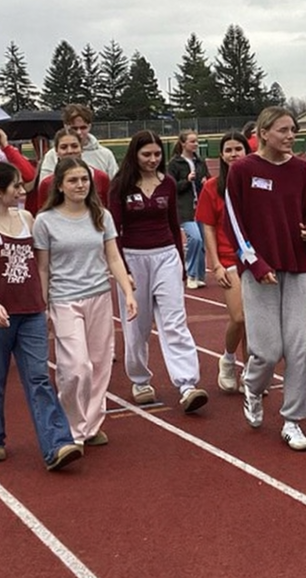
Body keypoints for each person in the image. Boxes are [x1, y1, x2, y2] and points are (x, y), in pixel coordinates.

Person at [0, 162, 83, 470]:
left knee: (39, 378)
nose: (22, 190)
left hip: (31, 313)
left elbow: (42, 262)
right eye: (16, 186)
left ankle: (57, 444)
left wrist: (45, 301)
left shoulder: (26, 219)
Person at [225, 107, 306, 451]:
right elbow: (233, 223)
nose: (290, 136)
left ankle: (292, 420)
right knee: (266, 352)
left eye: (293, 130)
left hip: (299, 267)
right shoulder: (242, 170)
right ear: (263, 133)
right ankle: (253, 387)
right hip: (260, 272)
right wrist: (255, 263)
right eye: (283, 130)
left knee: (300, 348)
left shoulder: (301, 169)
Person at [35, 157, 138, 446]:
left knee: (100, 363)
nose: (80, 185)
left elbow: (113, 257)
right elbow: (42, 268)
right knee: (76, 367)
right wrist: (42, 306)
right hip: (64, 299)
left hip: (99, 296)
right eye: (73, 180)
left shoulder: (101, 216)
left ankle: (91, 425)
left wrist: (128, 292)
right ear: (59, 185)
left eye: (84, 179)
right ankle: (71, 427)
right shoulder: (45, 221)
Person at [108, 131, 208, 414]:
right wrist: (123, 268)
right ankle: (140, 380)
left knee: (175, 321)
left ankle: (187, 384)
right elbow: (113, 231)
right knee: (137, 325)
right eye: (146, 155)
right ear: (134, 155)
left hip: (165, 255)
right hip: (133, 257)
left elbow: (174, 224)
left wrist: (180, 264)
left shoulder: (167, 184)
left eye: (156, 154)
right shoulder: (120, 186)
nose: (152, 160)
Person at [194, 130, 250, 393]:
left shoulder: (256, 184)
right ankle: (227, 359)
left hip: (256, 260)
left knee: (255, 323)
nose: (233, 154)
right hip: (229, 260)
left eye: (238, 149)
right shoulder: (212, 187)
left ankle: (250, 373)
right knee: (239, 318)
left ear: (247, 152)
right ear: (221, 154)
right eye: (228, 150)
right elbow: (208, 227)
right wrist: (215, 264)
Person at [167, 129, 210, 289]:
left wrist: (206, 181)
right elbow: (171, 187)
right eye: (192, 141)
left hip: (200, 206)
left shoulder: (200, 162)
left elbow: (208, 179)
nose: (195, 144)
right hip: (184, 208)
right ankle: (190, 274)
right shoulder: (175, 164)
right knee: (195, 238)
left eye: (196, 141)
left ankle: (200, 275)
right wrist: (186, 180)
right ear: (183, 143)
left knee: (202, 242)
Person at [39, 103, 118, 180]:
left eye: (83, 128)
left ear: (89, 126)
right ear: (65, 126)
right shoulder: (52, 155)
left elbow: (115, 184)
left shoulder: (105, 155)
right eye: (74, 128)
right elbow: (45, 185)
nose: (79, 132)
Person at [35, 128, 111, 208]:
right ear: (56, 151)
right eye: (64, 147)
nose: (70, 151)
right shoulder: (47, 184)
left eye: (74, 146)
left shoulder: (101, 178)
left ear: (81, 148)